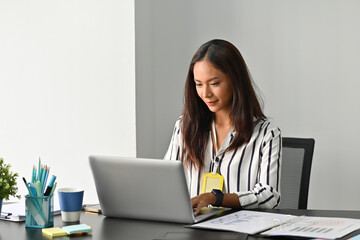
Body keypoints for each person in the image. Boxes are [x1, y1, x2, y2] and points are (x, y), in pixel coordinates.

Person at [164, 39, 282, 215]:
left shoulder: (267, 134)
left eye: (214, 83)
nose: (205, 93)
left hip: (240, 229)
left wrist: (216, 198)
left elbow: (269, 196)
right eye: (199, 84)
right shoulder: (184, 127)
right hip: (192, 228)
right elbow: (166, 180)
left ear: (235, 80)